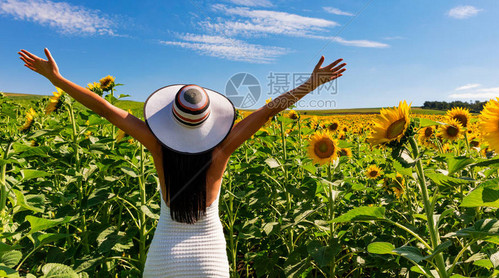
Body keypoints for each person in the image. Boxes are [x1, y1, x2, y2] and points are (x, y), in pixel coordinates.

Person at [18, 48, 347, 277]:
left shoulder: (158, 147)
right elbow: (269, 110)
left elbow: (104, 108)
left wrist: (58, 81)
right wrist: (311, 83)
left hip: (165, 257)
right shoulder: (222, 151)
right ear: (209, 122)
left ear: (169, 121)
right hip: (210, 259)